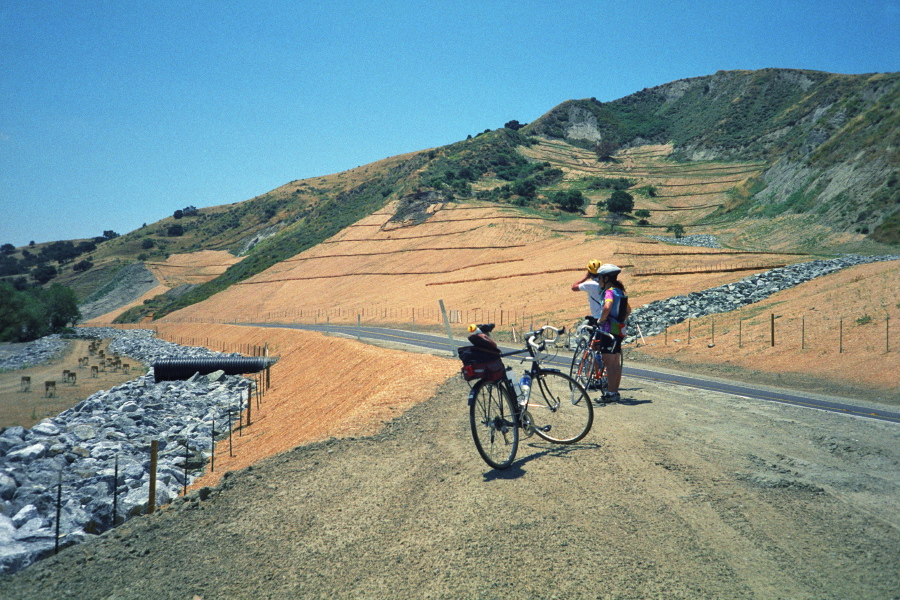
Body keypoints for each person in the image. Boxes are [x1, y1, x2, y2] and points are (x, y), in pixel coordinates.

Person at [571, 261, 630, 402]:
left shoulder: (609, 292)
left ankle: (609, 393)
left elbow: (607, 307)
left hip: (608, 330)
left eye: (601, 277)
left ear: (606, 278)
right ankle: (614, 392)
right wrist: (619, 320)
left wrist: (602, 320)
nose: (599, 280)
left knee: (609, 363)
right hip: (619, 330)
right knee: (616, 363)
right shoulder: (619, 291)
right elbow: (628, 310)